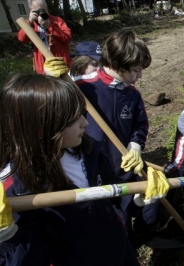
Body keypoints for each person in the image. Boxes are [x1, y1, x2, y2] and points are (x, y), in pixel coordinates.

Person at [0, 74, 138, 265]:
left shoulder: (89, 150)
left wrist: (138, 199)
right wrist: (8, 235)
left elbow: (110, 191)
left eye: (82, 113)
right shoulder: (16, 189)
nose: (85, 123)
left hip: (117, 250)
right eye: (73, 119)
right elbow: (28, 258)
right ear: (43, 127)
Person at [71, 28, 159, 245]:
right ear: (119, 65)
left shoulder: (132, 95)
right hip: (93, 170)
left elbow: (140, 124)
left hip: (123, 165)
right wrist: (52, 80)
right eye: (136, 70)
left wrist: (136, 146)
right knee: (115, 223)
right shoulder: (81, 87)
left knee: (146, 202)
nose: (140, 76)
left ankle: (145, 236)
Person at [17, 0, 71, 74]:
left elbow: (67, 38)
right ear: (32, 11)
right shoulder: (30, 23)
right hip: (42, 64)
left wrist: (49, 26)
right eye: (38, 11)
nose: (42, 13)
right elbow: (22, 39)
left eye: (44, 10)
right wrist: (30, 22)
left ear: (47, 9)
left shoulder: (57, 20)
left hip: (60, 63)